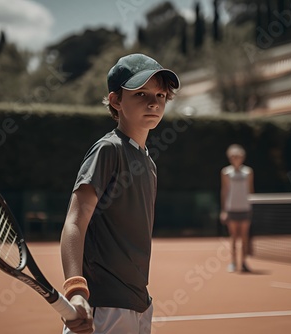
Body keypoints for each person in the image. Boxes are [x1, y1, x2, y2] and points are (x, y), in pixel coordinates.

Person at [60, 53, 180, 334]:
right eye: (140, 93)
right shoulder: (108, 150)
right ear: (116, 101)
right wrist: (76, 289)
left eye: (160, 94)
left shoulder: (148, 163)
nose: (154, 102)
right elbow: (75, 221)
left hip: (138, 303)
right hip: (105, 306)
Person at [220, 144, 254, 273]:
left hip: (245, 207)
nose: (236, 158)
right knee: (233, 236)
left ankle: (244, 262)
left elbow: (250, 189)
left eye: (238, 156)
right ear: (230, 158)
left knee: (244, 236)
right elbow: (224, 191)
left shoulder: (248, 172)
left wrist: (252, 205)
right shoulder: (226, 172)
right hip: (231, 208)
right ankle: (233, 262)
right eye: (233, 156)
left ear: (243, 157)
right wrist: (223, 210)